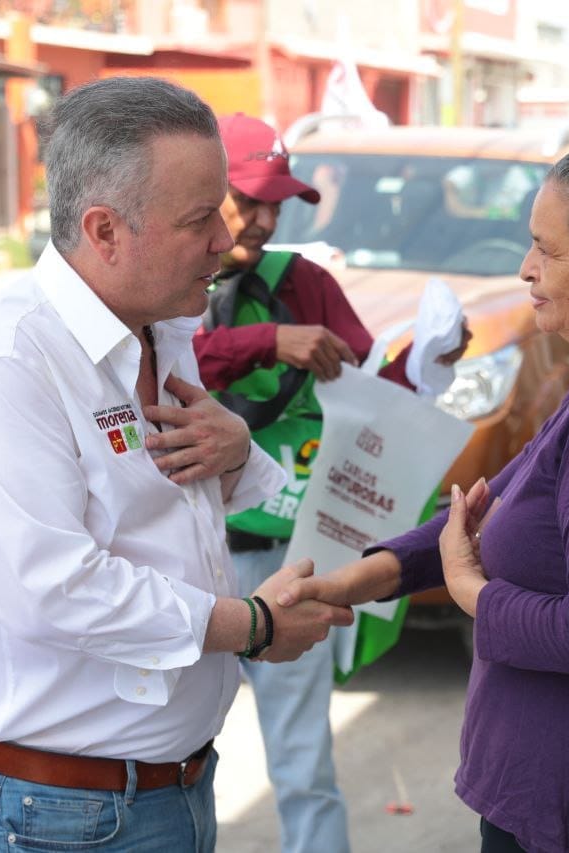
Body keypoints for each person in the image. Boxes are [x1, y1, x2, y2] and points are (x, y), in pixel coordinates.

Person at [0, 79, 353, 853]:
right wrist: (250, 624)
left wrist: (237, 454)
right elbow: (54, 585)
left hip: (164, 784)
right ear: (104, 230)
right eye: (199, 218)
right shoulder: (3, 363)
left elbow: (156, 505)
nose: (225, 238)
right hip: (61, 811)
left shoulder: (160, 330)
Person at [276, 123, 569, 853]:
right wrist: (362, 579)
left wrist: (472, 594)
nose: (525, 269)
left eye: (547, 250)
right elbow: (483, 515)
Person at [192, 112, 469, 853]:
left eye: (276, 202)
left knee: (303, 763)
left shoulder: (304, 283)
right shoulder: (159, 284)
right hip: (181, 559)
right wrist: (265, 342)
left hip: (290, 558)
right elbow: (154, 371)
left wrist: (430, 360)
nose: (265, 217)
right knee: (168, 761)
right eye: (248, 197)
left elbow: (371, 390)